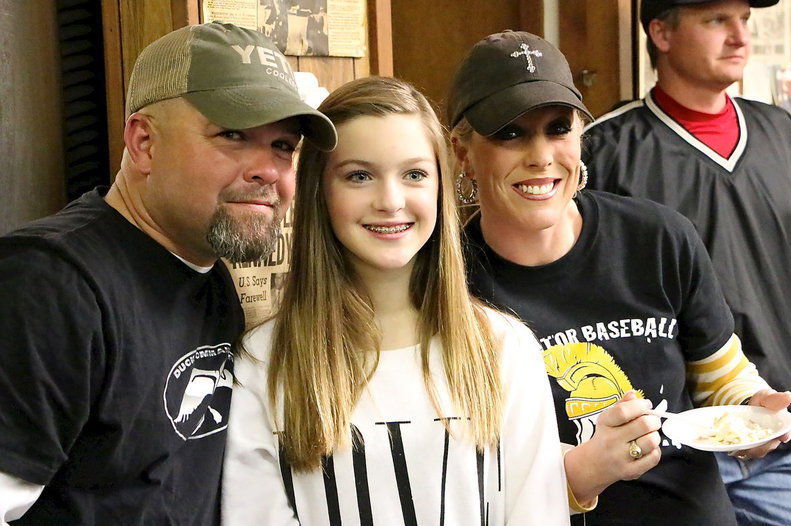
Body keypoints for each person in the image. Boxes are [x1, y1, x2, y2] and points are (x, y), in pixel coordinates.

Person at [447, 30, 791, 525]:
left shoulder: (658, 238)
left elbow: (720, 376)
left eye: (558, 128)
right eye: (510, 133)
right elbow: (461, 479)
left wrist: (753, 408)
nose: (542, 156)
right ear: (462, 151)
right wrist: (577, 475)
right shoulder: (450, 283)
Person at [0, 22, 336, 525]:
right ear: (144, 142)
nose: (267, 169)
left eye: (283, 146)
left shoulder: (208, 273)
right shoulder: (49, 283)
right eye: (232, 135)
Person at [222, 76, 570, 525]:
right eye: (359, 176)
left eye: (414, 175)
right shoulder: (261, 365)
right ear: (319, 191)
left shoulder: (505, 350)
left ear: (440, 188)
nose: (391, 201)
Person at [581, 1, 791, 524]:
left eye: (743, 19)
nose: (738, 36)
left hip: (785, 426)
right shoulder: (605, 149)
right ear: (660, 31)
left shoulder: (783, 132)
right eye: (715, 21)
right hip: (677, 448)